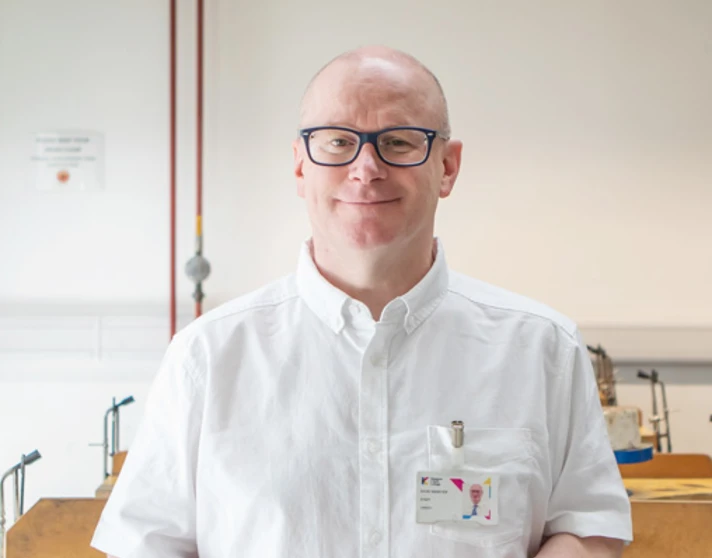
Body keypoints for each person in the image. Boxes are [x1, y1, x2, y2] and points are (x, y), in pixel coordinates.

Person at [92, 45, 632, 558]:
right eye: (336, 142)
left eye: (398, 141)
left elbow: (588, 527)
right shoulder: (207, 356)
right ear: (301, 166)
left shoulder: (540, 347)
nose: (366, 168)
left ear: (447, 167)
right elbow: (146, 542)